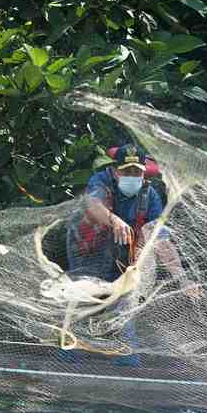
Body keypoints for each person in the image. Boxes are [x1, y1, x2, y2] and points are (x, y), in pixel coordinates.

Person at [66, 144, 195, 363]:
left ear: (144, 173)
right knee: (86, 298)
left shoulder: (150, 195)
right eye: (127, 171)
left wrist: (183, 279)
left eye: (137, 172)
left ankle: (126, 357)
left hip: (122, 253)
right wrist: (113, 220)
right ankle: (69, 354)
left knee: (127, 297)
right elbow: (93, 203)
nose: (132, 176)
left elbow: (159, 238)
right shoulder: (101, 181)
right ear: (116, 171)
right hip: (88, 250)